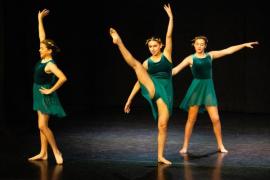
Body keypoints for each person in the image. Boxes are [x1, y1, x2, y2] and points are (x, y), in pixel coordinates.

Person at [110, 4, 173, 164]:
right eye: (150, 47)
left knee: (163, 125)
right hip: (153, 87)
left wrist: (171, 18)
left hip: (166, 92)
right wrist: (129, 99)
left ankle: (160, 156)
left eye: (155, 46)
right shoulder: (147, 63)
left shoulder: (167, 55)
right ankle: (119, 42)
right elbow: (139, 82)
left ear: (161, 46)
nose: (152, 49)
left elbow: (169, 36)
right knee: (136, 65)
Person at [172, 35, 258, 153]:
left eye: (202, 44)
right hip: (196, 90)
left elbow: (228, 51)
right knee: (191, 119)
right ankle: (185, 146)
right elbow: (175, 70)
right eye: (197, 44)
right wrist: (159, 72)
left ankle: (220, 145)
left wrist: (243, 45)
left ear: (205, 46)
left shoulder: (210, 55)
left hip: (208, 89)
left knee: (216, 119)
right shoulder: (190, 59)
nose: (199, 46)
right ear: (194, 45)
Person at [28, 9, 67, 164]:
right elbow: (41, 36)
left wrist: (51, 89)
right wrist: (40, 20)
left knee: (42, 125)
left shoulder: (50, 64)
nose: (39, 49)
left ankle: (56, 151)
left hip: (45, 94)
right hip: (37, 91)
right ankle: (43, 153)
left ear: (49, 51)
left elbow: (63, 78)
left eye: (42, 48)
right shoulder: (44, 58)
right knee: (41, 126)